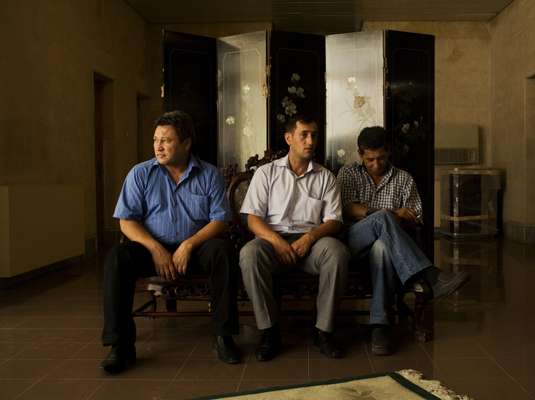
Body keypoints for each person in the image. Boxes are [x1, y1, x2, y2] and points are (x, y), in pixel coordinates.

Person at [101, 110, 240, 373]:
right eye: (155, 140)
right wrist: (155, 248)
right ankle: (120, 345)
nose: (159, 146)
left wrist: (188, 245)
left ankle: (224, 336)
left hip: (197, 248)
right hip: (151, 248)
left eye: (166, 140)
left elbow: (220, 220)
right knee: (117, 258)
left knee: (223, 251)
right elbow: (126, 221)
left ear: (186, 143)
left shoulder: (209, 174)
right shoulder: (140, 174)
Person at [337, 126, 469, 356]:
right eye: (370, 159)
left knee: (382, 248)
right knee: (382, 219)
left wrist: (393, 216)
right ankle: (430, 275)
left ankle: (379, 325)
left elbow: (415, 217)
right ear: (360, 154)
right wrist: (391, 214)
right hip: (353, 242)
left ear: (388, 152)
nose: (376, 164)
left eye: (381, 158)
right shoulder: (348, 173)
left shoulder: (404, 179)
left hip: (389, 250)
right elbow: (347, 209)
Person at [239, 114, 350, 361]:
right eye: (304, 135)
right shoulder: (266, 174)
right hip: (272, 241)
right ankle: (269, 332)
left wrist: (310, 238)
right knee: (249, 254)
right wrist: (277, 242)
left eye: (314, 135)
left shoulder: (325, 177)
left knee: (337, 252)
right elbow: (252, 219)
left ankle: (324, 331)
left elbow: (333, 221)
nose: (310, 141)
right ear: (289, 138)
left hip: (312, 244)